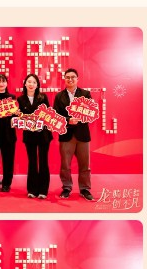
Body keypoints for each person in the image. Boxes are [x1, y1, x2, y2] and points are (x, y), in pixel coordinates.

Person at [53, 68, 94, 200]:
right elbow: (55, 116)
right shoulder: (59, 96)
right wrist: (67, 120)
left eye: (73, 77)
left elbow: (91, 112)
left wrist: (80, 118)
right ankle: (66, 187)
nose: (70, 79)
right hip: (66, 135)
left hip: (82, 134)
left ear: (77, 79)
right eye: (67, 77)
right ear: (64, 79)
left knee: (85, 165)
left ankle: (85, 189)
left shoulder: (85, 94)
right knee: (65, 165)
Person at [17, 74, 53, 199]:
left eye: (34, 82)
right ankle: (32, 189)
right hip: (29, 134)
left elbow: (48, 114)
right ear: (25, 84)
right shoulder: (20, 99)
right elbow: (19, 117)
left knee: (43, 161)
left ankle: (43, 190)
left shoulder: (43, 97)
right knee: (32, 161)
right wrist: (19, 116)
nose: (31, 84)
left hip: (43, 134)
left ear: (37, 85)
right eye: (29, 82)